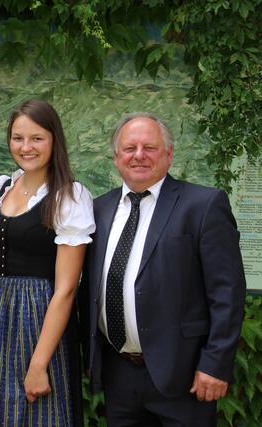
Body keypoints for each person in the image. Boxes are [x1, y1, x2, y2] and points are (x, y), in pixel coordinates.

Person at [79, 112, 246, 426]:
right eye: (129, 148)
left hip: (184, 377)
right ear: (116, 158)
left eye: (150, 148)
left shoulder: (204, 205)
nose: (139, 155)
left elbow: (227, 292)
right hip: (119, 375)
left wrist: (215, 364)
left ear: (168, 155)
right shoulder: (98, 210)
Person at [0, 99, 95, 426]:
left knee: (36, 412)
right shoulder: (2, 186)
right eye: (18, 138)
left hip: (38, 317)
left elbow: (65, 291)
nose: (25, 147)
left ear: (54, 140)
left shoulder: (68, 196)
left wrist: (38, 363)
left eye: (36, 138)